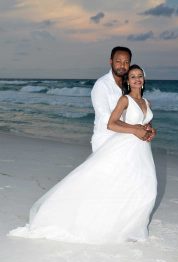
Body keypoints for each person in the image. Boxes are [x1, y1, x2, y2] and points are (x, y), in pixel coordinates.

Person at [9, 64, 157, 244]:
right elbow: (112, 124)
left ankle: (132, 226)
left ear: (144, 79)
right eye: (132, 76)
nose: (136, 79)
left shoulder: (146, 102)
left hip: (142, 150)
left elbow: (145, 124)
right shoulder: (124, 100)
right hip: (125, 147)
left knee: (145, 187)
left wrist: (150, 131)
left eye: (139, 75)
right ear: (127, 80)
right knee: (117, 184)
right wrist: (135, 129)